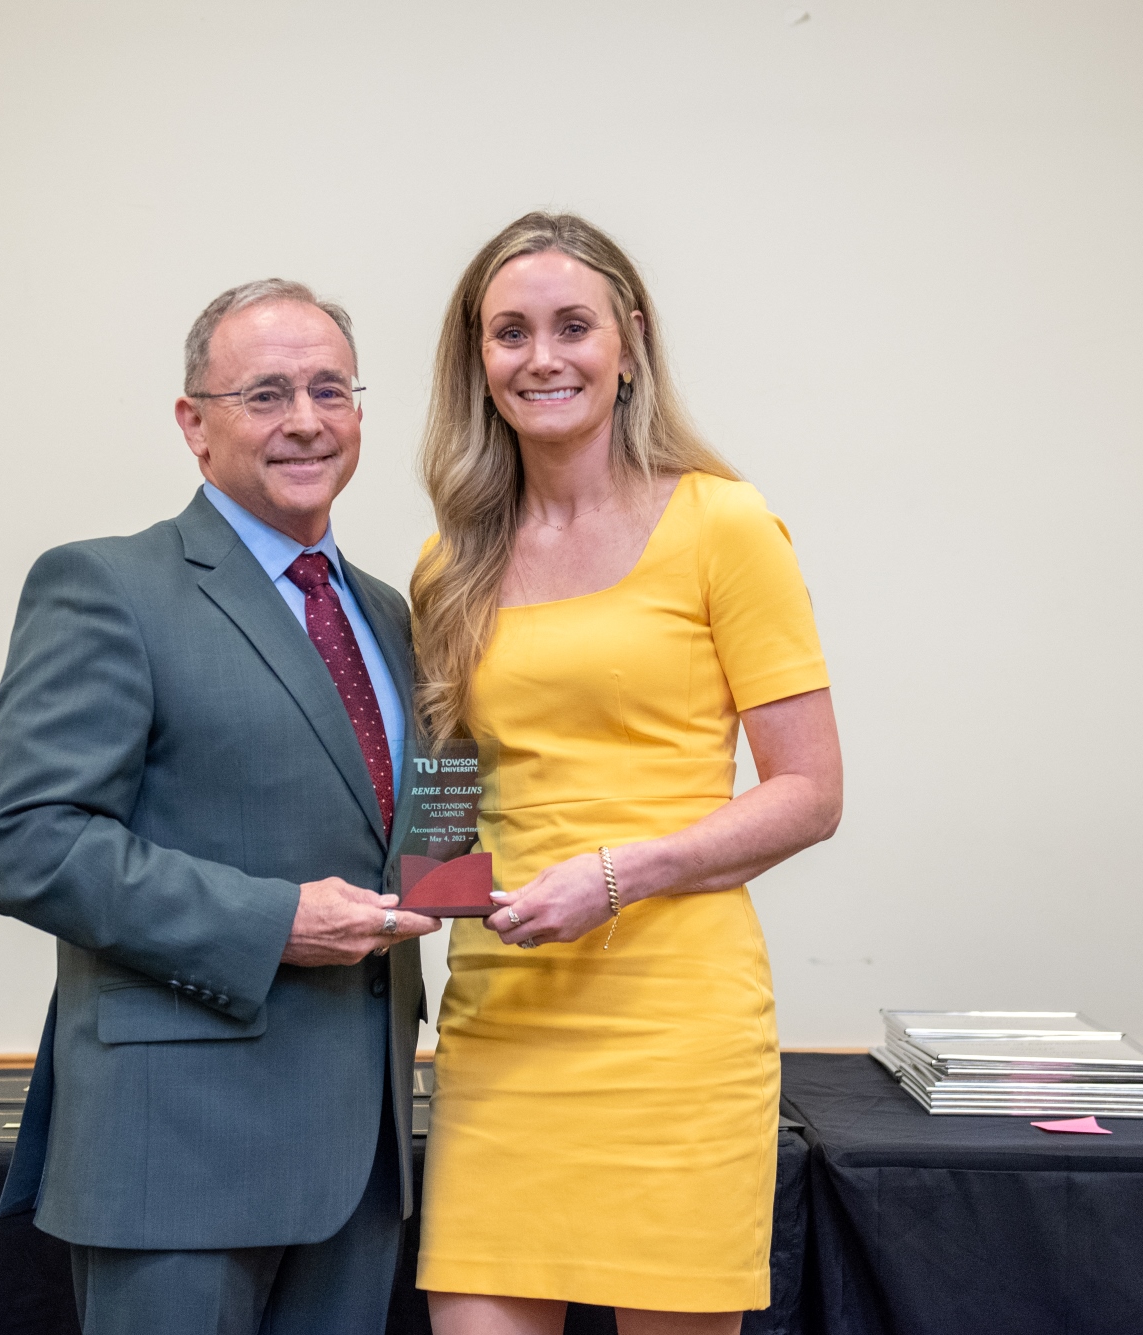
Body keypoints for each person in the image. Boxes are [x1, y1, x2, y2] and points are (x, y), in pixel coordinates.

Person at [0, 278, 440, 1335]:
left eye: (330, 389)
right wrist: (273, 924)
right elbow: (25, 844)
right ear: (194, 423)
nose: (306, 420)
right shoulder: (106, 586)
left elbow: (404, 827)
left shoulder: (386, 612)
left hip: (361, 1161)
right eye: (265, 394)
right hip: (176, 1154)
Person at [410, 214, 844, 1335]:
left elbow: (809, 793)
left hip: (672, 1023)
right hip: (502, 1019)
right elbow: (446, 797)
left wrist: (616, 874)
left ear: (629, 343)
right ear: (478, 359)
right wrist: (407, 900)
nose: (540, 356)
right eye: (508, 332)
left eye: (571, 326)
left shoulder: (722, 524)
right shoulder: (448, 560)